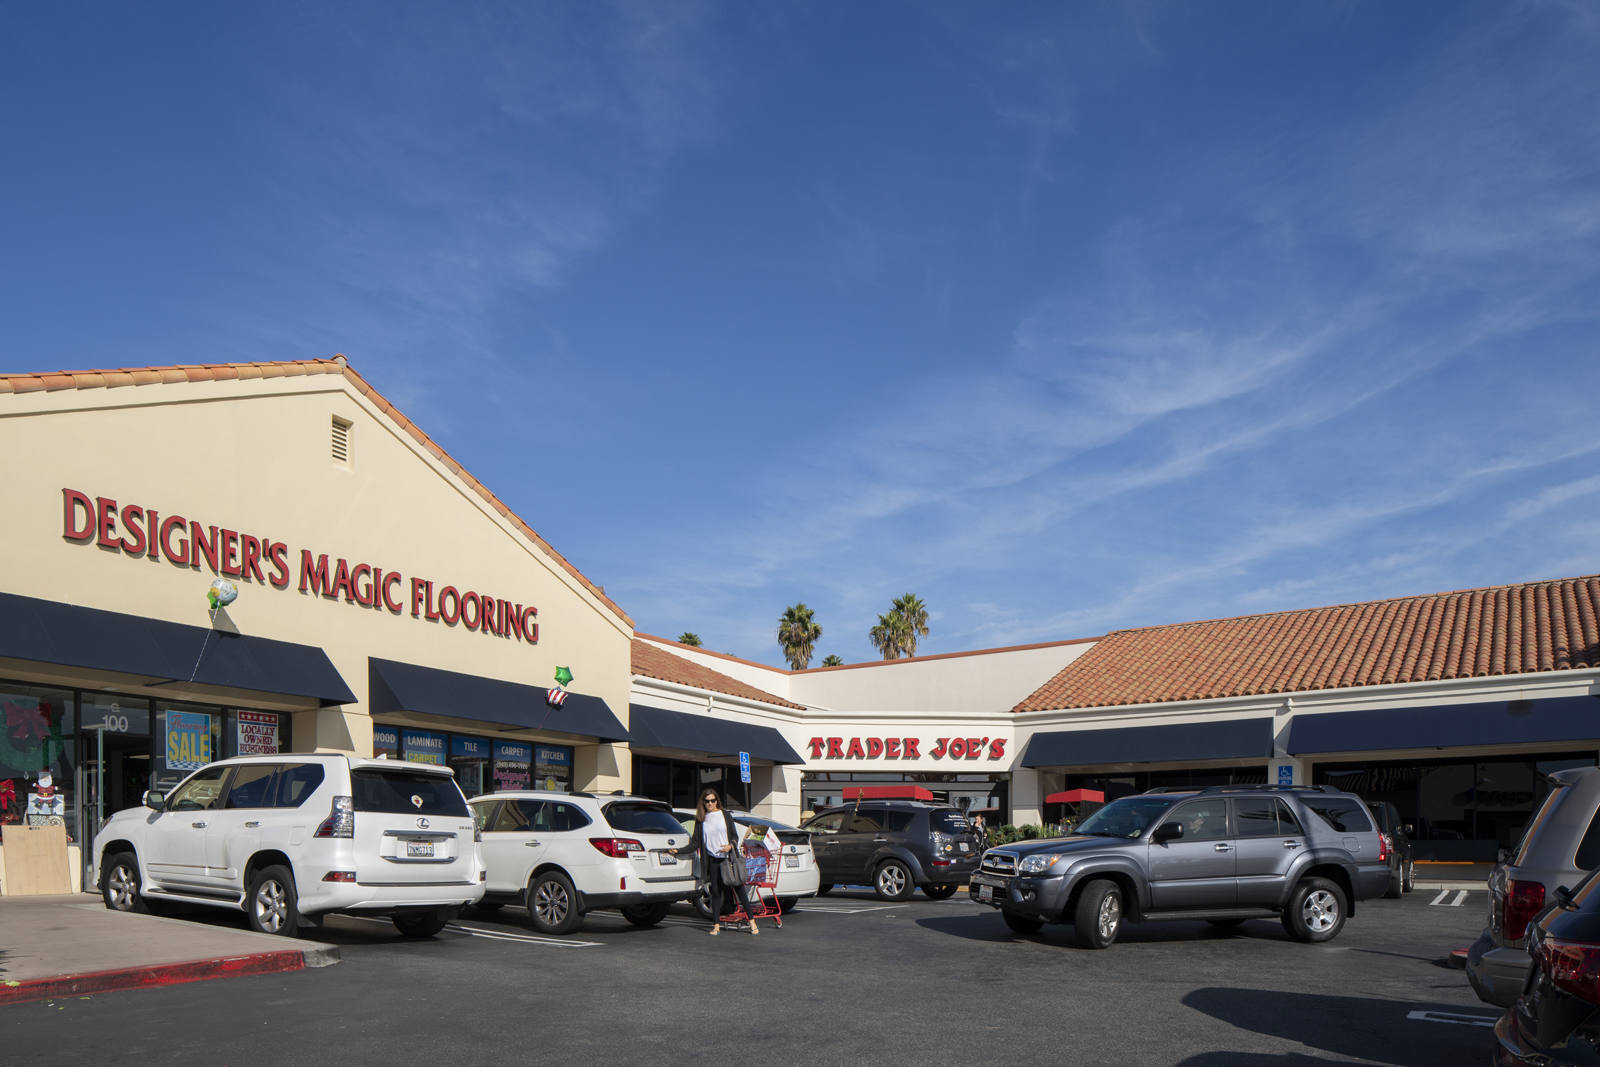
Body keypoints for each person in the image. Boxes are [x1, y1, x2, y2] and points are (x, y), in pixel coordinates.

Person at [679, 789, 761, 936]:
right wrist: (678, 851)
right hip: (712, 860)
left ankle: (752, 921)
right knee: (715, 893)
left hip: (728, 859)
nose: (710, 803)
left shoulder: (725, 815)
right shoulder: (701, 819)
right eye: (707, 801)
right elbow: (696, 843)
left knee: (739, 890)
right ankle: (716, 925)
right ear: (703, 803)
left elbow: (734, 837)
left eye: (713, 800)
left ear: (717, 801)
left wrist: (730, 846)